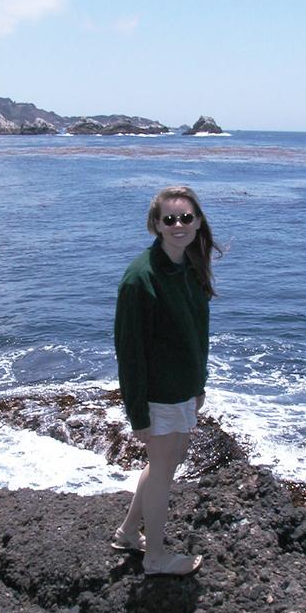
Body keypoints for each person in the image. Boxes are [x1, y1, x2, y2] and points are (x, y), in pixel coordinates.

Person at [112, 186, 222, 576]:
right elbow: (130, 354)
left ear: (197, 221)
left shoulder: (189, 266)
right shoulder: (141, 279)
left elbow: (197, 334)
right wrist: (137, 414)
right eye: (170, 219)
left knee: (164, 463)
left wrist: (198, 385)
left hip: (181, 389)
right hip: (157, 394)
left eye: (186, 218)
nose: (179, 225)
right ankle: (155, 558)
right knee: (163, 473)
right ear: (156, 225)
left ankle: (128, 532)